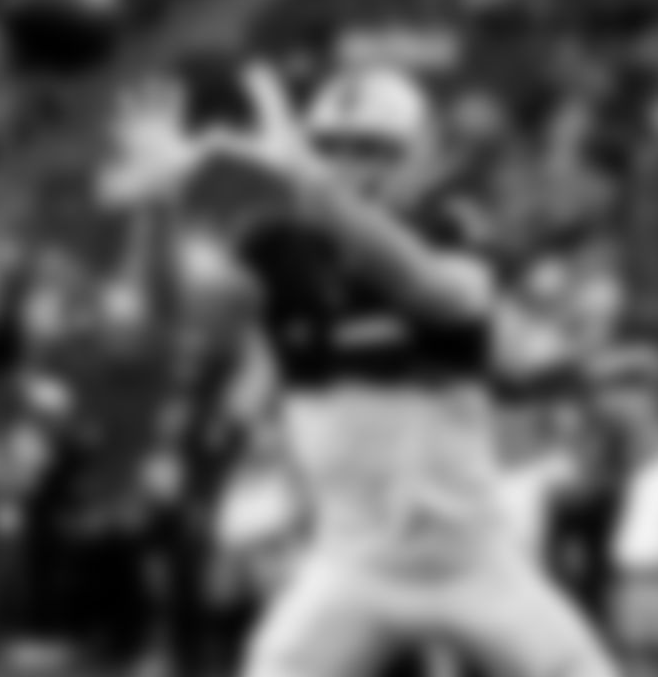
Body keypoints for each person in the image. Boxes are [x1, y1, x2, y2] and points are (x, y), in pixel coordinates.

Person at [172, 61, 621, 677]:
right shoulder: (288, 255)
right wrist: (180, 203)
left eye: (371, 148)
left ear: (421, 161)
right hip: (354, 565)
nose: (346, 165)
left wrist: (311, 191)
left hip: (472, 563)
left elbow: (425, 287)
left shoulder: (449, 235)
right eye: (331, 147)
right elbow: (209, 302)